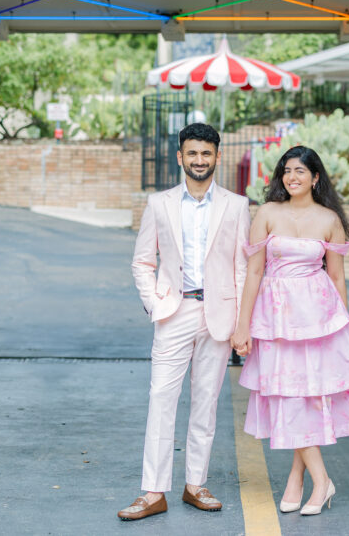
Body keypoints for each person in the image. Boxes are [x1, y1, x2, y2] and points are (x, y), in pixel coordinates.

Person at [231, 145, 349, 516]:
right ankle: (320, 479)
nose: (291, 177)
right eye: (286, 171)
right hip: (276, 319)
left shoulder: (329, 219)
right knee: (288, 396)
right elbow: (255, 272)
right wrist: (242, 326)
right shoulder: (267, 213)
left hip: (318, 320)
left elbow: (337, 276)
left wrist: (340, 330)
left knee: (307, 397)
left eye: (300, 171)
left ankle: (302, 479)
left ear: (316, 177)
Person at [119, 123, 250, 521]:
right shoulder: (159, 204)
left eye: (206, 154)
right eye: (191, 153)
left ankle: (196, 485)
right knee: (161, 399)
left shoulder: (237, 205)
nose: (199, 160)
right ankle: (153, 491)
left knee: (206, 403)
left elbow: (242, 268)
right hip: (174, 312)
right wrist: (155, 303)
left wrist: (242, 323)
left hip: (219, 315)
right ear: (180, 157)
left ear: (217, 157)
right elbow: (142, 261)